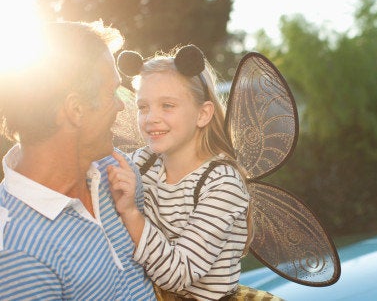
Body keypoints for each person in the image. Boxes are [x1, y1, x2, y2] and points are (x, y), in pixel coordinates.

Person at [0, 20, 156, 300]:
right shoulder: (15, 251)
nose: (121, 105)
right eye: (112, 93)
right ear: (76, 110)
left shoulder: (119, 173)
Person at [108, 45, 271, 301]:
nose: (151, 118)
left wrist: (130, 213)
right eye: (143, 107)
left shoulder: (222, 183)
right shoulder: (143, 163)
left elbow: (179, 274)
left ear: (202, 114)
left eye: (167, 105)